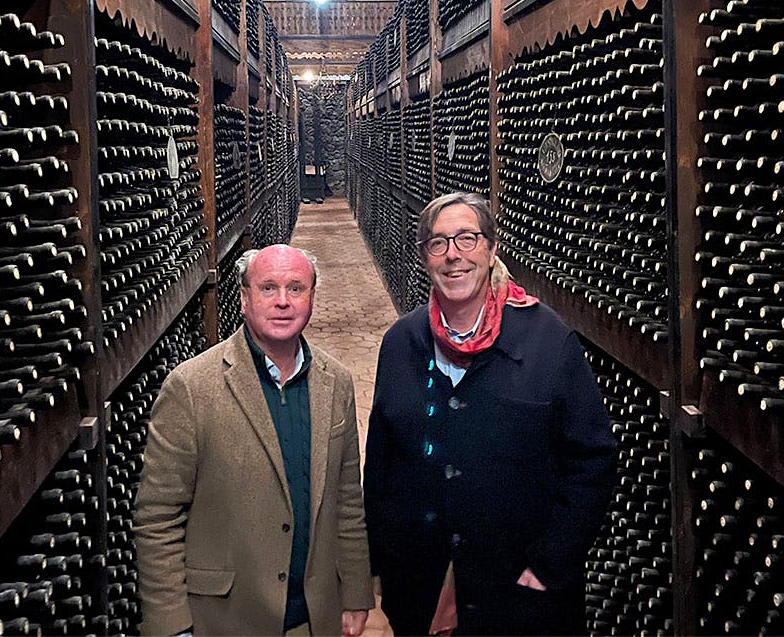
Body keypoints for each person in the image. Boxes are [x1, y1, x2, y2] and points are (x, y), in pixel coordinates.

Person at [364, 192, 616, 636]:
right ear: (425, 257)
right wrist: (379, 565)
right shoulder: (402, 342)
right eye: (438, 243)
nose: (453, 255)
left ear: (491, 248)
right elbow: (382, 463)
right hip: (422, 589)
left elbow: (592, 461)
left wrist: (549, 565)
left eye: (467, 239)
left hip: (518, 595)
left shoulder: (547, 340)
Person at [134, 244, 374, 637]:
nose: (283, 301)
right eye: (268, 288)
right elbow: (157, 517)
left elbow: (347, 499)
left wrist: (356, 593)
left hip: (311, 618)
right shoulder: (191, 386)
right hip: (225, 619)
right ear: (244, 299)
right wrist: (170, 623)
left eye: (296, 288)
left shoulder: (338, 382)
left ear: (312, 297)